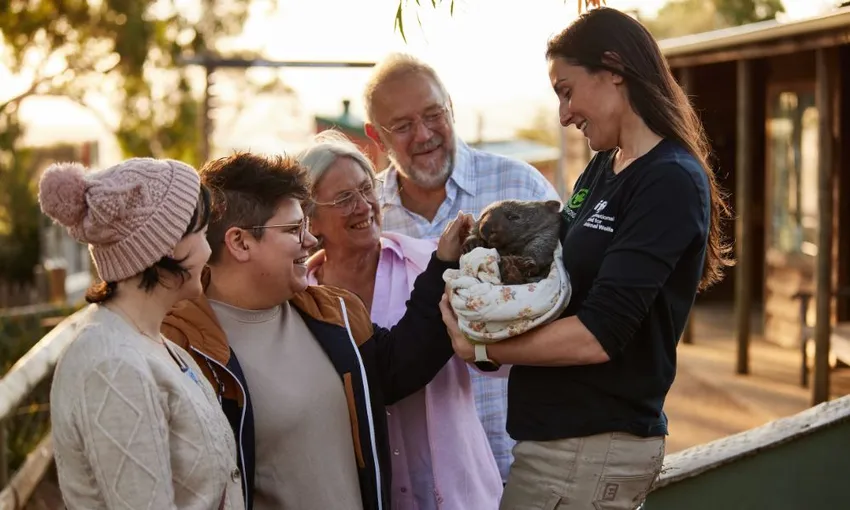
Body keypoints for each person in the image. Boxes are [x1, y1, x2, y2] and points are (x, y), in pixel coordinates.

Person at [439, 7, 733, 509]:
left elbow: (600, 335)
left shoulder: (669, 180)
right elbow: (558, 281)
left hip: (591, 446)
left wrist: (482, 350)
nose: (564, 114)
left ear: (614, 69)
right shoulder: (602, 168)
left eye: (566, 90)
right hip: (557, 442)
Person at [161, 152, 471, 510]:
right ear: (240, 243)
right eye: (294, 229)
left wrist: (445, 265)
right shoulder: (180, 349)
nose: (310, 241)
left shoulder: (334, 312)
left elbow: (399, 367)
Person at [363, 52, 561, 483]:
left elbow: (569, 299)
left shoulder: (520, 187)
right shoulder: (365, 217)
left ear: (451, 106)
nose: (424, 134)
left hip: (520, 460)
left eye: (434, 114)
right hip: (420, 480)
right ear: (375, 136)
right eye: (402, 125)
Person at [300, 130, 503, 510]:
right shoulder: (299, 301)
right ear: (311, 221)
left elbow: (498, 359)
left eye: (366, 189)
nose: (363, 206)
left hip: (458, 498)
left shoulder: (430, 262)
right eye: (344, 198)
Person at [42, 158, 244, 510]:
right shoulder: (111, 366)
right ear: (167, 245)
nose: (209, 249)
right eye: (199, 232)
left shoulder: (154, 346)